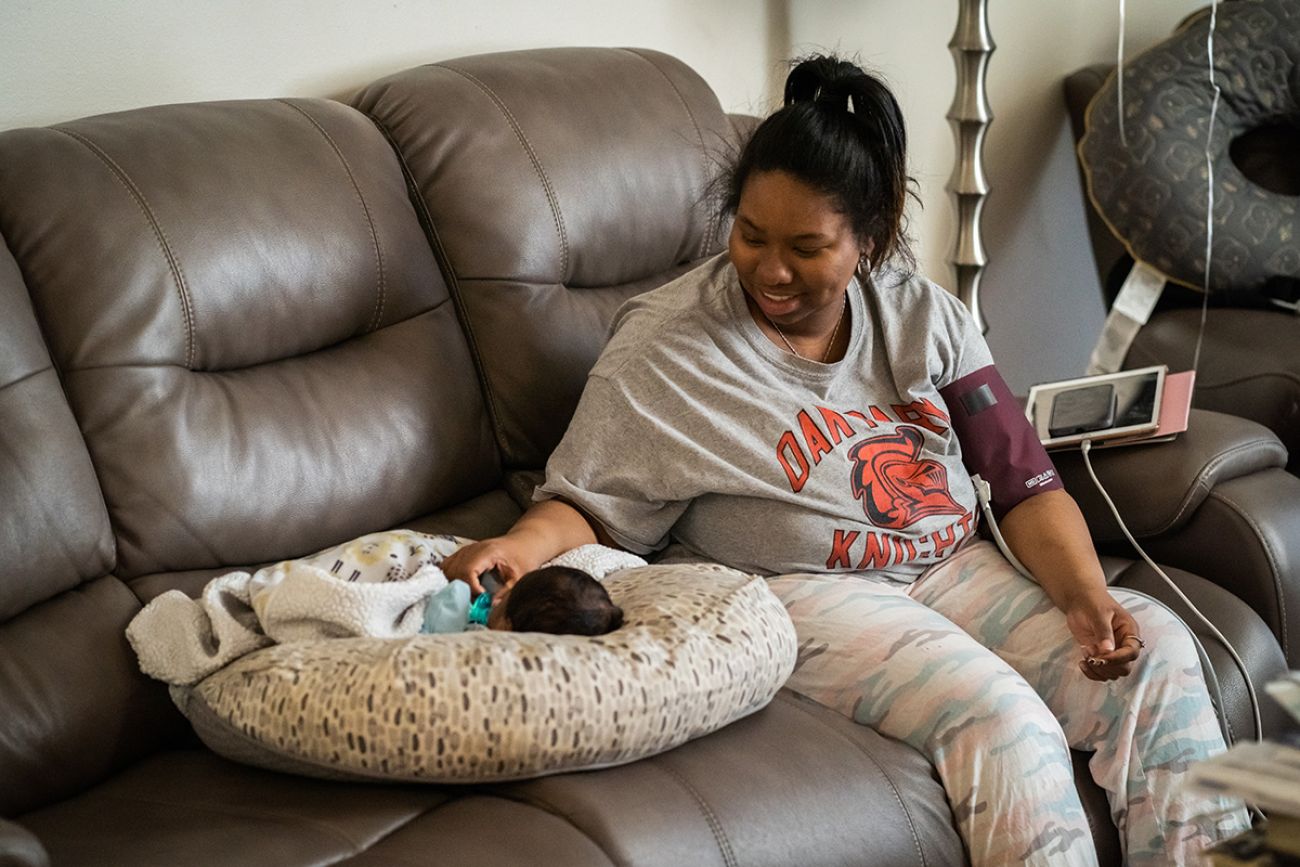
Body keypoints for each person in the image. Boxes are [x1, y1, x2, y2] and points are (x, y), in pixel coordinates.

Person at [443, 55, 1248, 866]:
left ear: (869, 239)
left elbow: (1021, 478)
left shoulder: (921, 315)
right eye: (751, 235)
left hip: (948, 562)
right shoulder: (666, 350)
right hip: (805, 590)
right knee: (1003, 719)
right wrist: (518, 547)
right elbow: (588, 502)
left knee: (1157, 650)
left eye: (807, 246)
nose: (771, 269)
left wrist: (1082, 595)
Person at [424, 564, 624, 636]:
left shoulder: (464, 625)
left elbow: (447, 599)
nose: (495, 600)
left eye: (504, 599)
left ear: (505, 628)